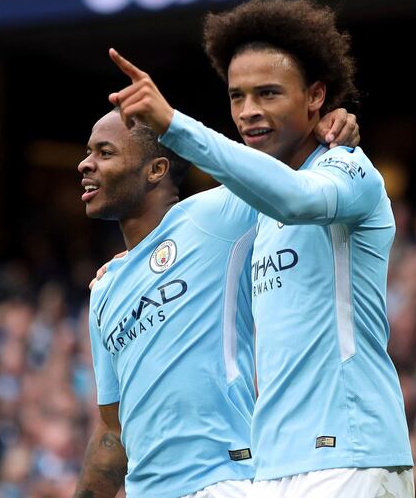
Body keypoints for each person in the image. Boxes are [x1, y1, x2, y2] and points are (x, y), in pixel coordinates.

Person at [108, 0, 415, 497]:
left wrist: (173, 124)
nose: (249, 112)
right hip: (272, 467)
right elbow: (202, 224)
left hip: (352, 454)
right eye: (237, 97)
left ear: (316, 96)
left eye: (268, 93)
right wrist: (130, 266)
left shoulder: (350, 170)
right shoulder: (251, 208)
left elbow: (296, 198)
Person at [75, 107, 359, 494]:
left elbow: (285, 170)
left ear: (156, 170)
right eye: (89, 152)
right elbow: (112, 430)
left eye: (104, 153)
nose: (84, 164)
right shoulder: (105, 290)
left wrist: (327, 124)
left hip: (222, 482)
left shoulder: (213, 216)